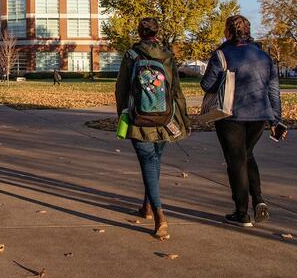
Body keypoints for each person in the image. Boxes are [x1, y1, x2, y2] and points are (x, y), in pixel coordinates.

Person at [201, 15, 283, 227]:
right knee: (248, 155)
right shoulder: (264, 56)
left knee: (236, 161)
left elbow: (207, 84)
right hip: (259, 115)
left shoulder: (222, 54)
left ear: (228, 32)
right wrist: (276, 120)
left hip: (231, 114)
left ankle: (241, 212)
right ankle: (259, 200)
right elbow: (273, 90)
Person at [115, 18, 190, 239]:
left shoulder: (131, 55)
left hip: (139, 120)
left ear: (139, 32)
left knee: (148, 162)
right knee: (154, 161)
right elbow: (176, 89)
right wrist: (183, 118)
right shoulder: (167, 55)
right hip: (165, 119)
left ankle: (159, 214)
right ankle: (147, 206)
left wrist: (123, 114)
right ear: (157, 32)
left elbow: (121, 88)